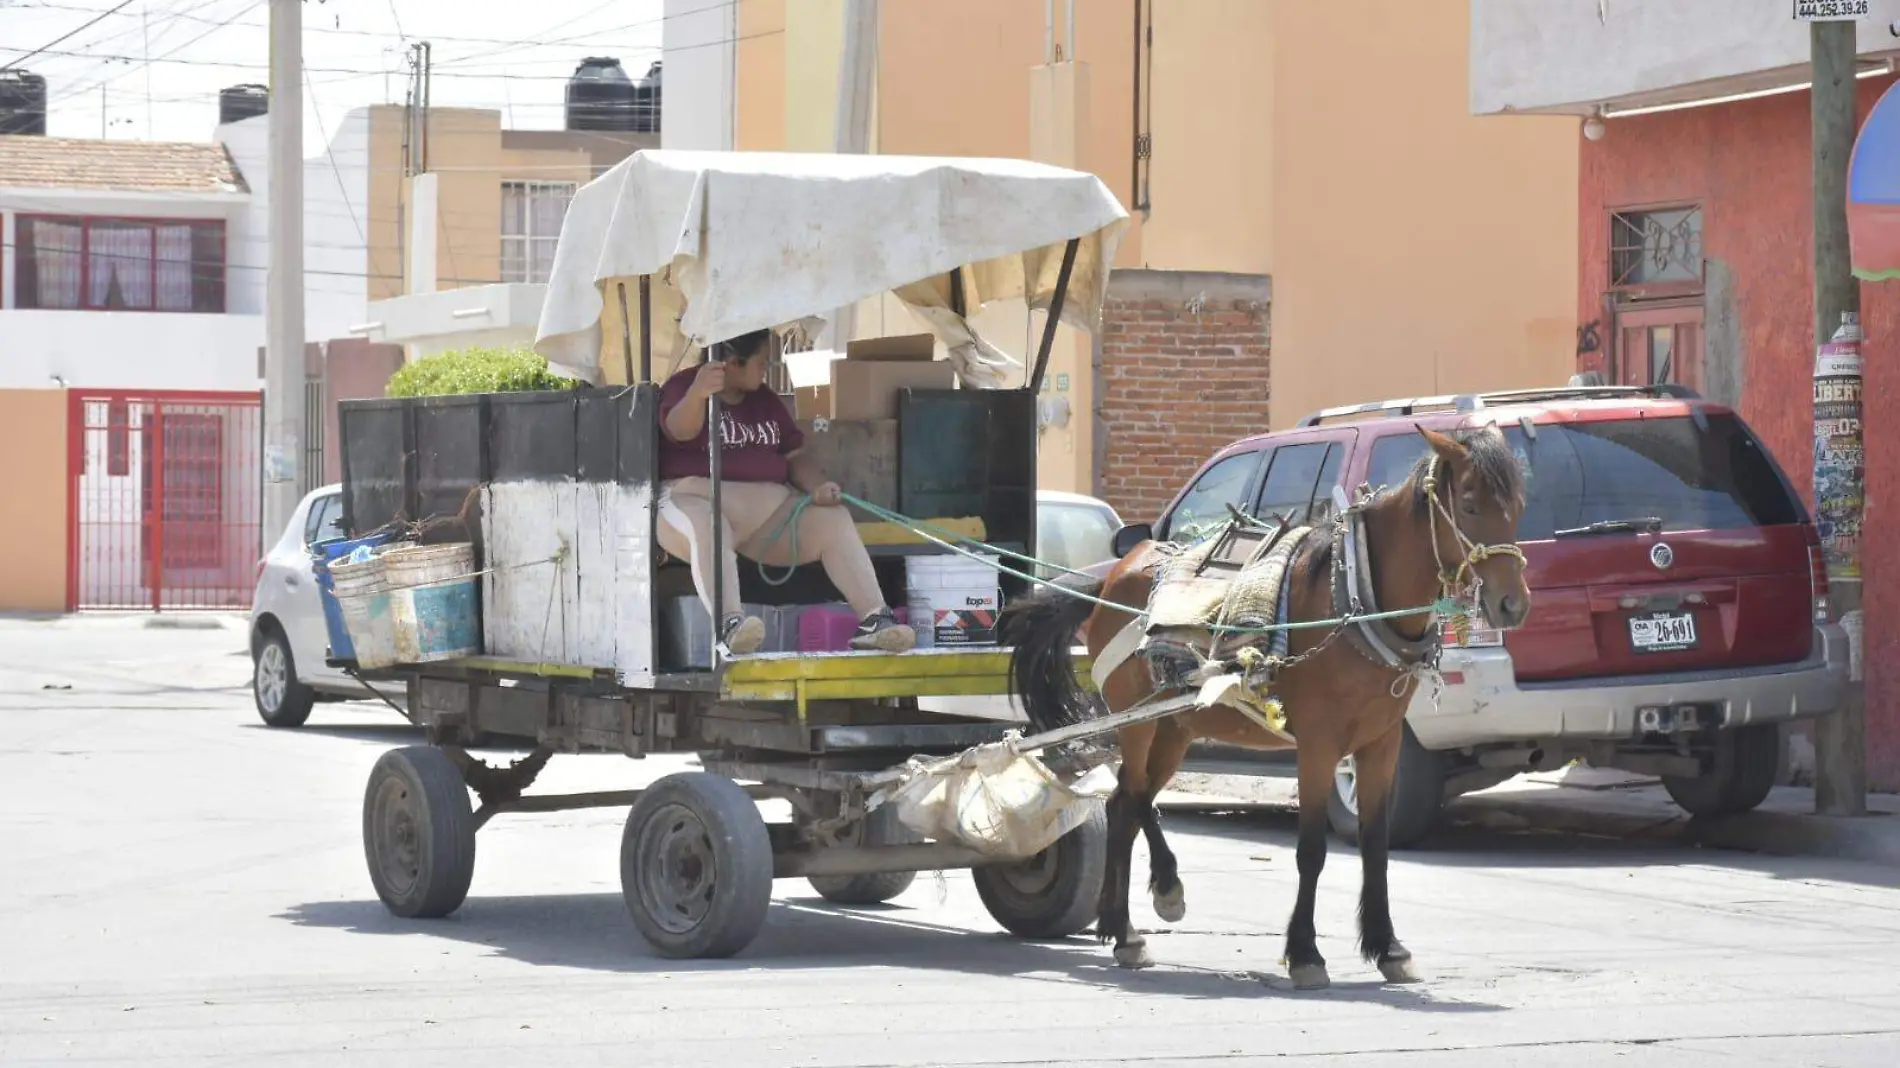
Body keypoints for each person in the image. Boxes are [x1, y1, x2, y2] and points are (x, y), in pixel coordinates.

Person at [656, 327, 917, 656]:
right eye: (762, 362)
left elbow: (794, 456)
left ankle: (875, 621)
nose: (767, 369)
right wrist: (698, 394)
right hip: (690, 501)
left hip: (765, 514)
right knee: (711, 525)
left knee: (832, 520)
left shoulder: (765, 399)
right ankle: (729, 625)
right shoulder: (683, 386)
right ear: (732, 363)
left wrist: (817, 487)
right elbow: (678, 430)